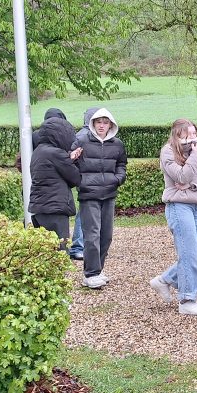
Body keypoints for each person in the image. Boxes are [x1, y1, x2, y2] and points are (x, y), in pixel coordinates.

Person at [149, 119, 197, 316]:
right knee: (189, 253)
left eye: (194, 133)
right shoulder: (168, 152)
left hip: (195, 204)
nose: (193, 138)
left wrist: (192, 185)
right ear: (177, 135)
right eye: (187, 135)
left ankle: (165, 280)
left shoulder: (196, 152)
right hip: (178, 206)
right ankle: (187, 299)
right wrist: (195, 157)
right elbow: (182, 176)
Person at [74, 108, 127, 289]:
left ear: (110, 124)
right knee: (92, 234)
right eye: (98, 122)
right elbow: (69, 162)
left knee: (106, 235)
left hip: (109, 193)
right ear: (93, 124)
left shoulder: (117, 144)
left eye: (105, 122)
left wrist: (117, 179)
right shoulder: (81, 140)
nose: (102, 125)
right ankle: (91, 273)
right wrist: (80, 181)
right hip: (89, 194)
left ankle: (98, 269)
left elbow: (121, 164)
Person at [29, 116, 82, 250]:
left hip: (39, 207)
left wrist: (68, 159)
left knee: (43, 249)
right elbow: (75, 178)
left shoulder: (38, 151)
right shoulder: (57, 153)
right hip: (55, 207)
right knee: (60, 249)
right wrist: (74, 160)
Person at [67, 107, 99, 261]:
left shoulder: (84, 134)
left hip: (89, 179)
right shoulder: (85, 136)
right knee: (85, 212)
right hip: (87, 179)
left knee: (88, 212)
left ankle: (84, 245)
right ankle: (78, 246)